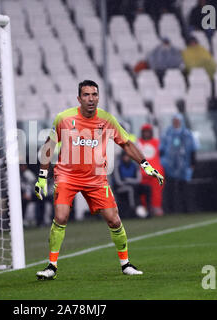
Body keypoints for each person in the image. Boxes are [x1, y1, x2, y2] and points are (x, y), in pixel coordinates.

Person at [34, 80, 164, 280]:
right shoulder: (64, 118)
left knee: (114, 219)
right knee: (60, 216)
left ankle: (126, 264)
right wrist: (42, 177)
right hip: (67, 176)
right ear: (79, 98)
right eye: (86, 95)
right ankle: (52, 266)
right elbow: (49, 145)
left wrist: (146, 165)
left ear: (98, 97)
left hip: (96, 178)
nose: (91, 99)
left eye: (94, 94)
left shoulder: (106, 120)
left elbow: (126, 144)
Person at [160, 113, 198, 214]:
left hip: (184, 165)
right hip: (170, 166)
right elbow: (162, 149)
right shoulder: (167, 133)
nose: (176, 123)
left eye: (178, 121)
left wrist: (192, 163)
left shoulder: (187, 134)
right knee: (170, 188)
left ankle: (187, 208)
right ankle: (171, 209)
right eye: (174, 121)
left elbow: (192, 149)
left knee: (185, 187)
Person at [113, 151, 153, 218]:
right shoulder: (118, 166)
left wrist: (128, 180)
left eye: (128, 156)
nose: (127, 158)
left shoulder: (134, 165)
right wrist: (128, 182)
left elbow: (138, 179)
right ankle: (133, 210)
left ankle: (148, 209)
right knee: (130, 189)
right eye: (125, 156)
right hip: (120, 187)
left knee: (147, 188)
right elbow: (118, 182)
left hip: (134, 185)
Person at [137, 123, 165, 216]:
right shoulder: (138, 143)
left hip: (156, 172)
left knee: (156, 191)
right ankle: (145, 208)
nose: (146, 134)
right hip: (142, 172)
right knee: (143, 193)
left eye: (148, 132)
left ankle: (156, 207)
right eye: (144, 132)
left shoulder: (156, 142)